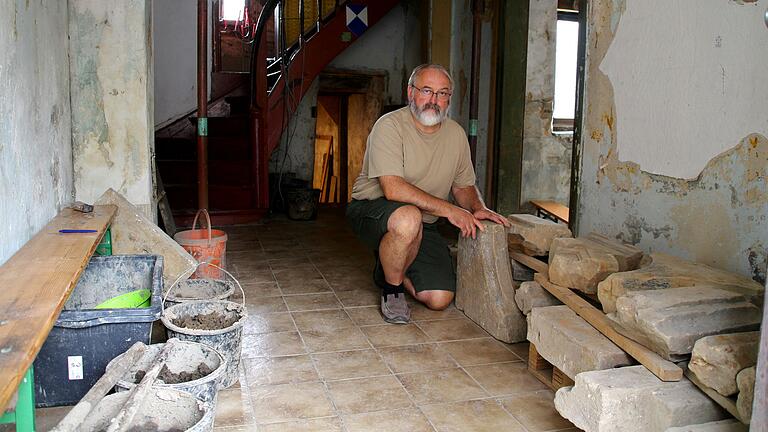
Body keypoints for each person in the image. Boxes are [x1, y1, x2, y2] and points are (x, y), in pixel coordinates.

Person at [346, 63, 510, 324]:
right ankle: (392, 290)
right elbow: (393, 188)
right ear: (410, 93)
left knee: (439, 298)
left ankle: (386, 268)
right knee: (408, 218)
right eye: (426, 91)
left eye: (442, 94)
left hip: (426, 222)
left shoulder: (456, 135)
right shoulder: (388, 126)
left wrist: (477, 206)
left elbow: (463, 186)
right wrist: (450, 210)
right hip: (372, 209)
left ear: (449, 100)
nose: (434, 100)